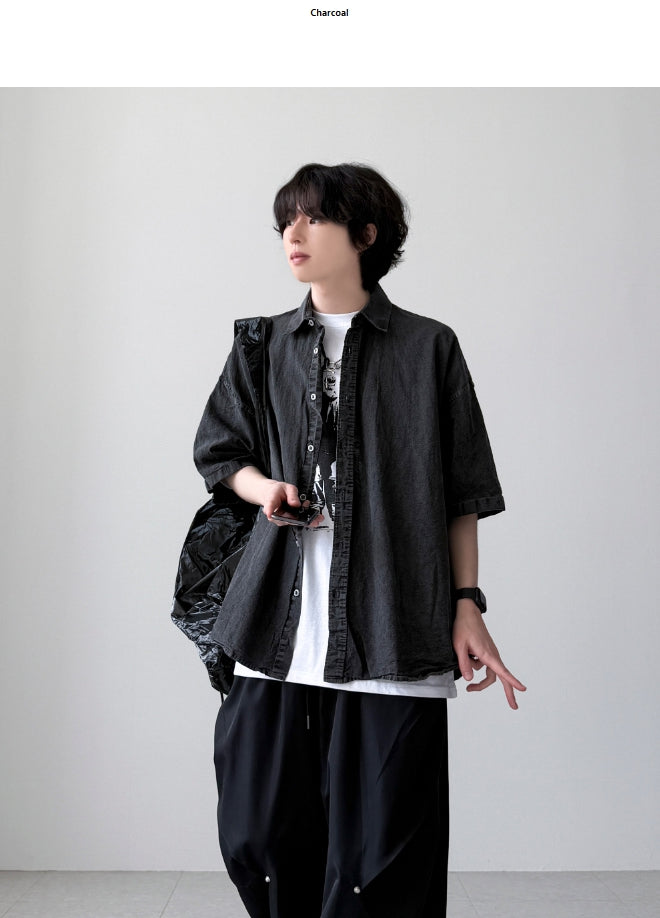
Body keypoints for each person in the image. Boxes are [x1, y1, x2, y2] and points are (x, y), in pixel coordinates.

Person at [193, 162, 526, 918]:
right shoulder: (262, 344)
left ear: (366, 235)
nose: (293, 233)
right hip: (277, 626)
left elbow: (462, 493)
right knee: (257, 835)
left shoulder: (429, 347)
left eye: (313, 217)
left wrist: (467, 603)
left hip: (391, 625)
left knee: (381, 864)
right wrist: (265, 489)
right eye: (286, 220)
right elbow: (220, 452)